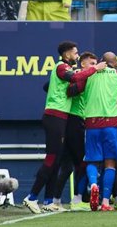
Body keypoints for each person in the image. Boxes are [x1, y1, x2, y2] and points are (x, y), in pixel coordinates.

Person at [23, 41, 82, 214]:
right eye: (75, 53)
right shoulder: (61, 66)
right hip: (54, 116)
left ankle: (48, 201)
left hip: (60, 117)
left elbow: (47, 86)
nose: (77, 56)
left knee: (56, 161)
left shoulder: (65, 70)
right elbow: (74, 78)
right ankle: (32, 197)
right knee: (51, 158)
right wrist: (92, 70)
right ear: (66, 54)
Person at [64, 52, 117, 211]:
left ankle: (93, 183)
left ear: (101, 62)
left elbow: (72, 90)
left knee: (91, 160)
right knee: (110, 163)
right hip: (111, 123)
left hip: (91, 124)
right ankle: (105, 202)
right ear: (115, 63)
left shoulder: (89, 75)